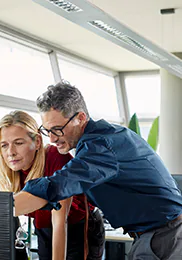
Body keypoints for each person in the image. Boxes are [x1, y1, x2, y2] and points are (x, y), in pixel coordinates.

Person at [14, 81, 182, 260]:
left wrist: (0, 209)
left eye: (57, 129)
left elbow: (60, 184)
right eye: (47, 131)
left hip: (164, 237)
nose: (53, 138)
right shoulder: (102, 138)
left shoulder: (101, 145)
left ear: (80, 118)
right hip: (160, 234)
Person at [0, 110, 105, 260]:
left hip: (79, 225)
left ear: (37, 142)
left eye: (18, 143)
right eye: (4, 145)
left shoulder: (55, 158)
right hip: (44, 225)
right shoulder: (7, 172)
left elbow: (60, 222)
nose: (10, 152)